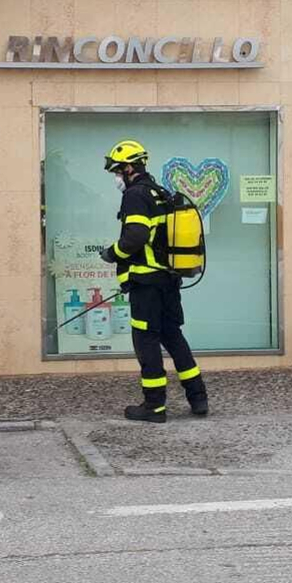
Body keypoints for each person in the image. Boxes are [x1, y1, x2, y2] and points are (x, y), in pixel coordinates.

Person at [100, 140, 209, 423]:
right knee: (173, 336)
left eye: (115, 172)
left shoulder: (136, 195)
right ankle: (198, 397)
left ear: (128, 168)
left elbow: (135, 236)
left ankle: (154, 406)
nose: (115, 178)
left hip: (147, 284)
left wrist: (112, 254)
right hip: (169, 280)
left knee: (146, 340)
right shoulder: (160, 192)